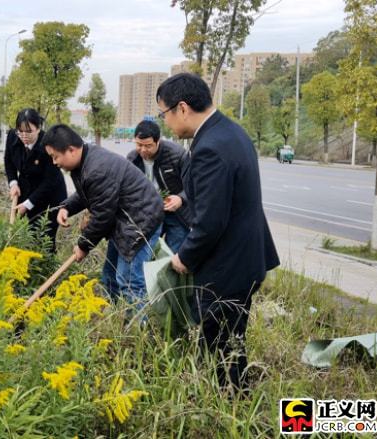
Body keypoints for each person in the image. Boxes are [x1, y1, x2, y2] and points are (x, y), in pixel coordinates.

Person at [156, 73, 280, 391]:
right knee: (231, 343)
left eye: (164, 113)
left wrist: (186, 256)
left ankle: (228, 405)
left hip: (227, 267)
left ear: (181, 108)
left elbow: (210, 221)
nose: (166, 122)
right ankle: (236, 396)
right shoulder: (230, 132)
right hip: (245, 259)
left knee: (218, 349)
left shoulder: (210, 148)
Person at [41, 124, 164, 307]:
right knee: (110, 275)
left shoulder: (96, 169)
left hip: (140, 222)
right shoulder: (85, 159)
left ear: (71, 150)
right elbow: (88, 193)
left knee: (129, 281)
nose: (54, 162)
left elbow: (102, 216)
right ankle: (114, 315)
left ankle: (138, 328)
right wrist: (66, 207)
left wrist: (83, 245)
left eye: (55, 156)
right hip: (123, 221)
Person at [3, 108, 67, 250]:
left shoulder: (49, 146)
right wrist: (13, 183)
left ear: (38, 129)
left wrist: (28, 204)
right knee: (21, 230)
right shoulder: (13, 137)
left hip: (51, 195)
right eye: (20, 131)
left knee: (44, 235)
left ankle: (46, 264)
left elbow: (49, 182)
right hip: (26, 187)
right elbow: (8, 161)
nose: (24, 135)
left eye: (29, 131)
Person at [127, 120, 191, 253]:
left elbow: (195, 183)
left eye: (148, 146)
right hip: (149, 214)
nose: (143, 150)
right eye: (139, 145)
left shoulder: (177, 155)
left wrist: (181, 198)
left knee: (171, 256)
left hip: (176, 213)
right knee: (146, 254)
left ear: (158, 141)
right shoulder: (132, 159)